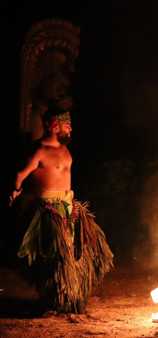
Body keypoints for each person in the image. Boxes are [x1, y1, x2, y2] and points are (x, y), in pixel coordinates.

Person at [9, 106, 114, 314]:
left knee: (87, 252)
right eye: (68, 124)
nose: (71, 128)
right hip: (49, 209)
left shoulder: (65, 148)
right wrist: (15, 191)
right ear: (55, 126)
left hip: (70, 207)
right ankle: (51, 301)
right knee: (54, 259)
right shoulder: (39, 150)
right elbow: (20, 174)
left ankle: (73, 296)